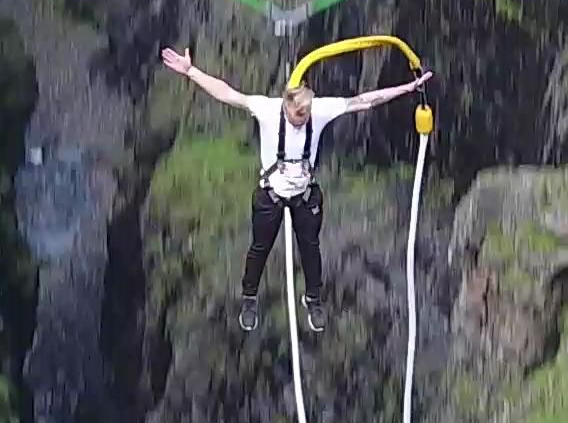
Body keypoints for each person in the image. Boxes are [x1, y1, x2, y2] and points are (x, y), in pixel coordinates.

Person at [160, 46, 433, 336]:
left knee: (311, 250)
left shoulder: (320, 111)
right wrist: (191, 71)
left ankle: (313, 299)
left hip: (304, 193)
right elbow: (227, 93)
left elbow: (364, 101)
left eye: (305, 115)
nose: (301, 119)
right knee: (259, 249)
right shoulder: (267, 110)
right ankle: (249, 298)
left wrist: (407, 88)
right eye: (296, 115)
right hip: (271, 194)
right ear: (286, 106)